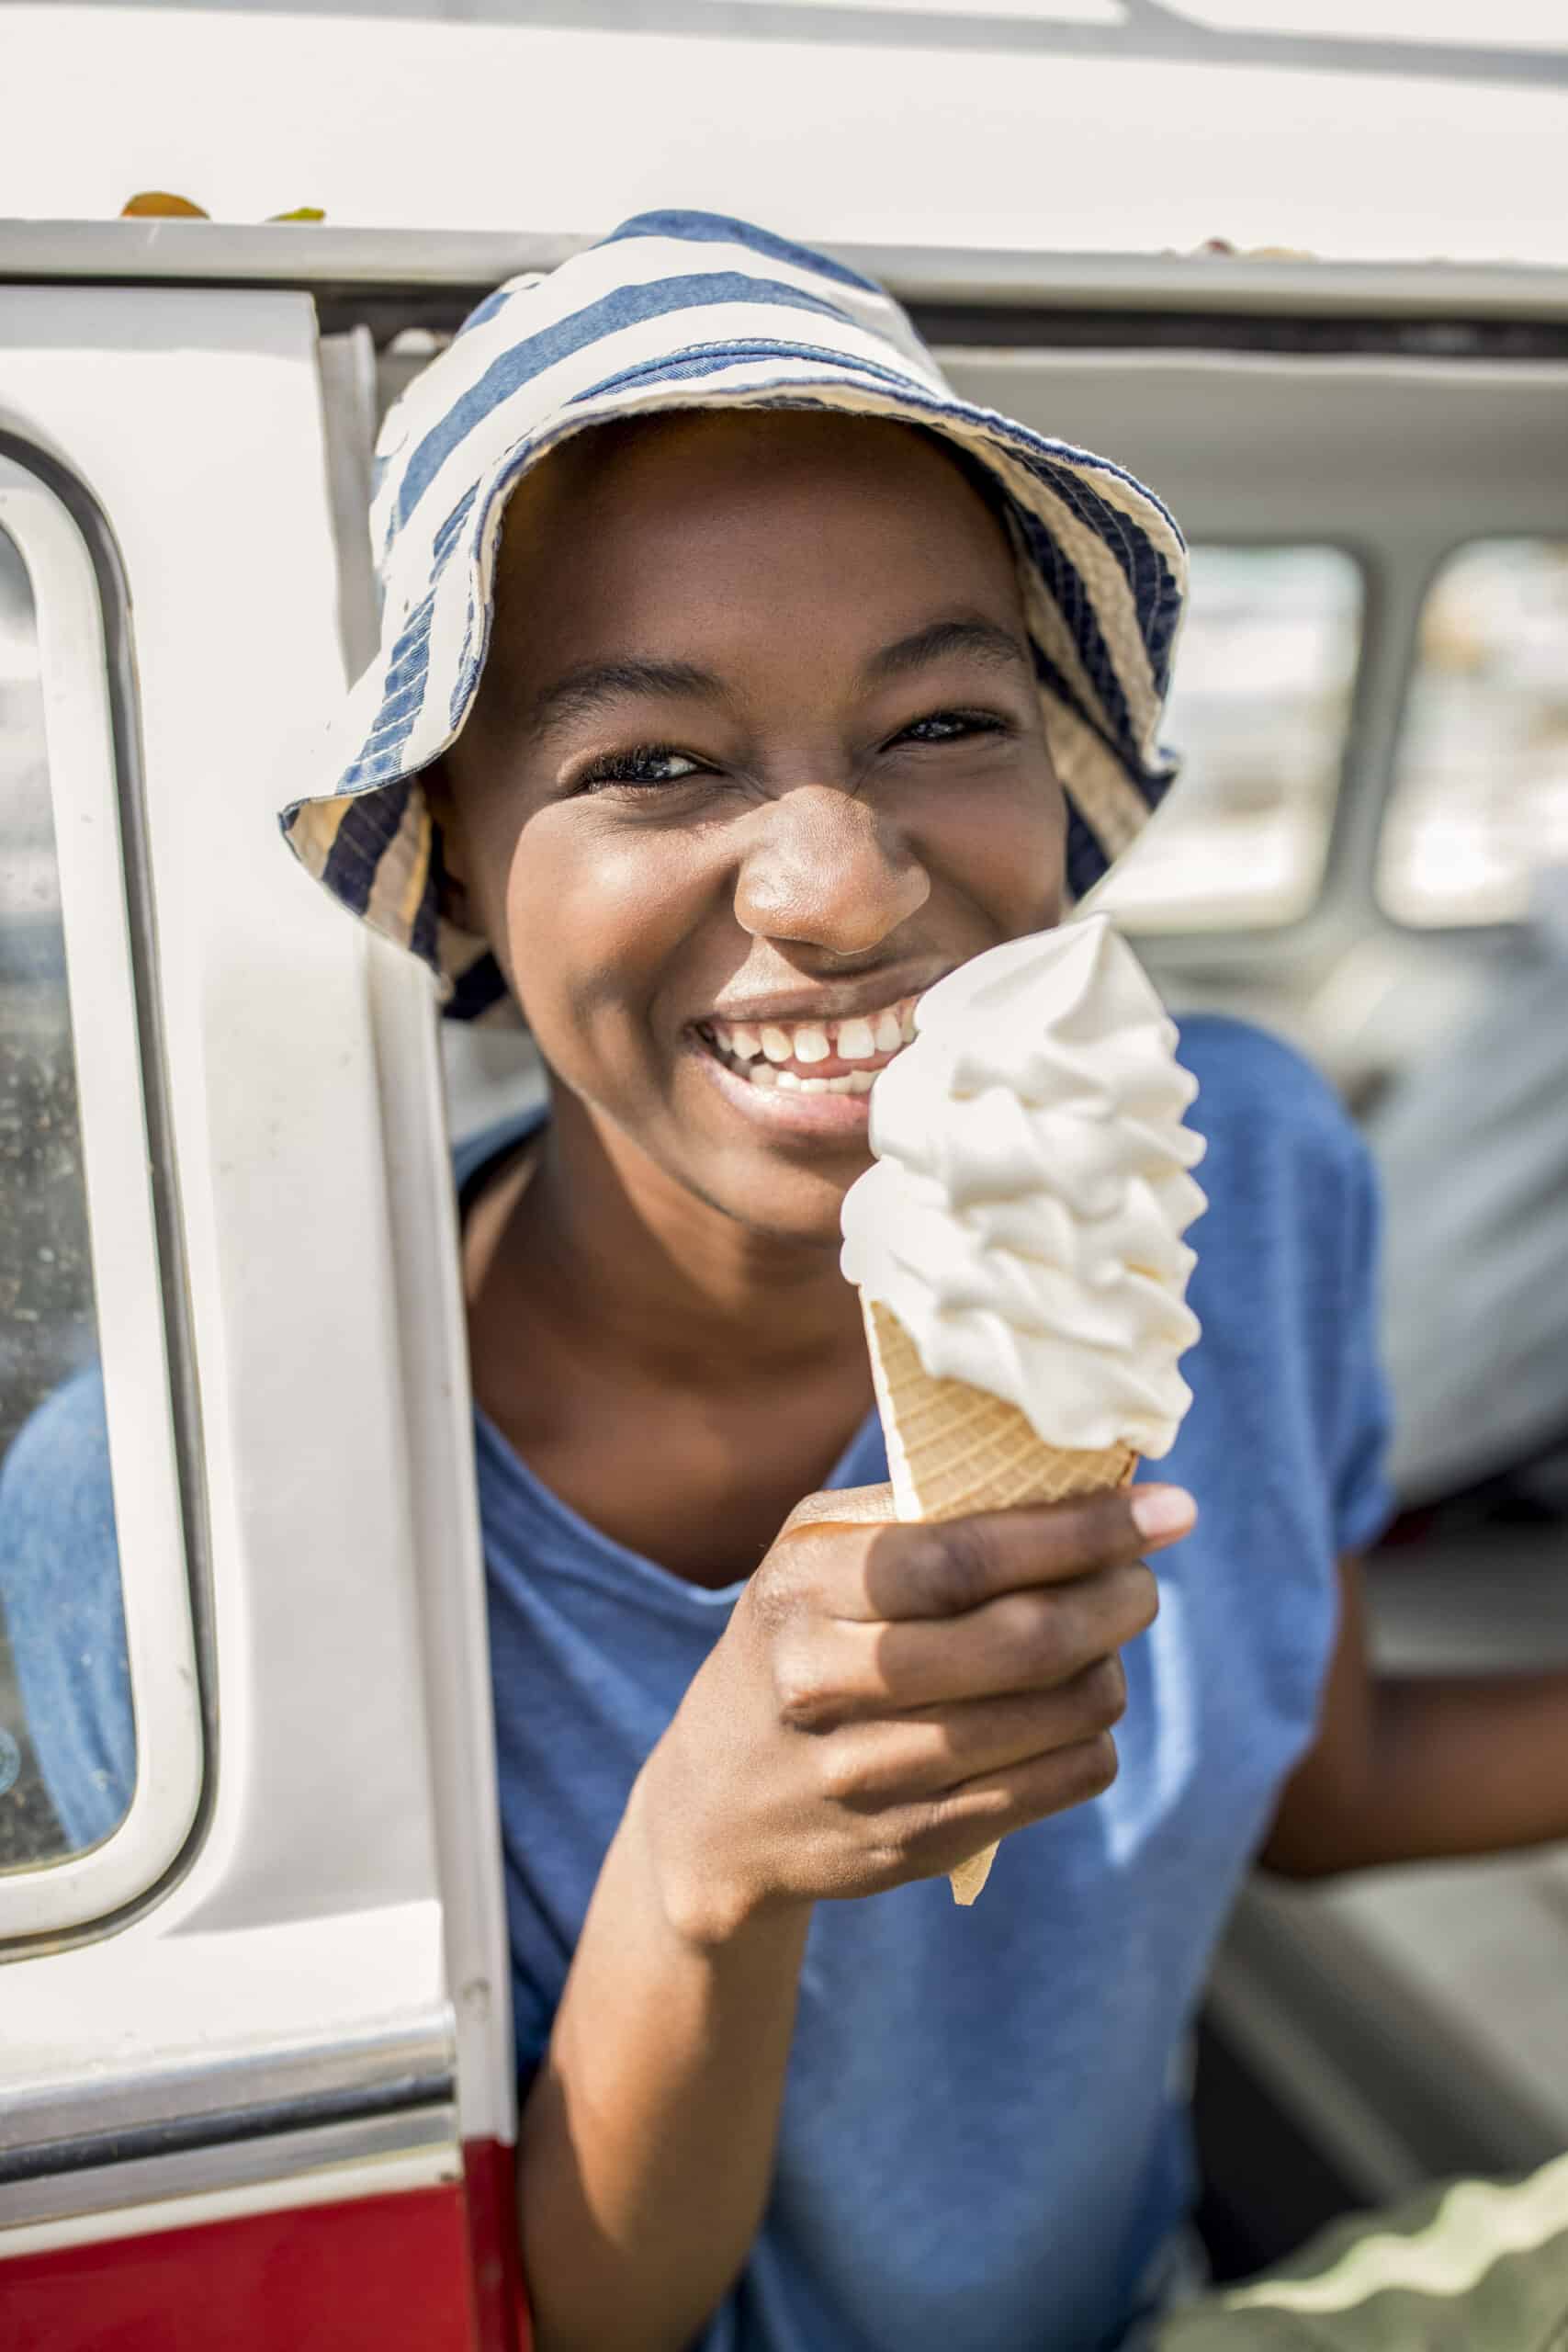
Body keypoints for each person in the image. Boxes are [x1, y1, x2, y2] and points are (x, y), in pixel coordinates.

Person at [6, 211, 1568, 2352]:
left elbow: (1318, 1770)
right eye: (651, 761)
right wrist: (706, 1864)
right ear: (456, 845)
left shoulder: (1235, 1170)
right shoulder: (167, 1523)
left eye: (941, 718)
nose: (840, 886)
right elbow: (555, 2310)